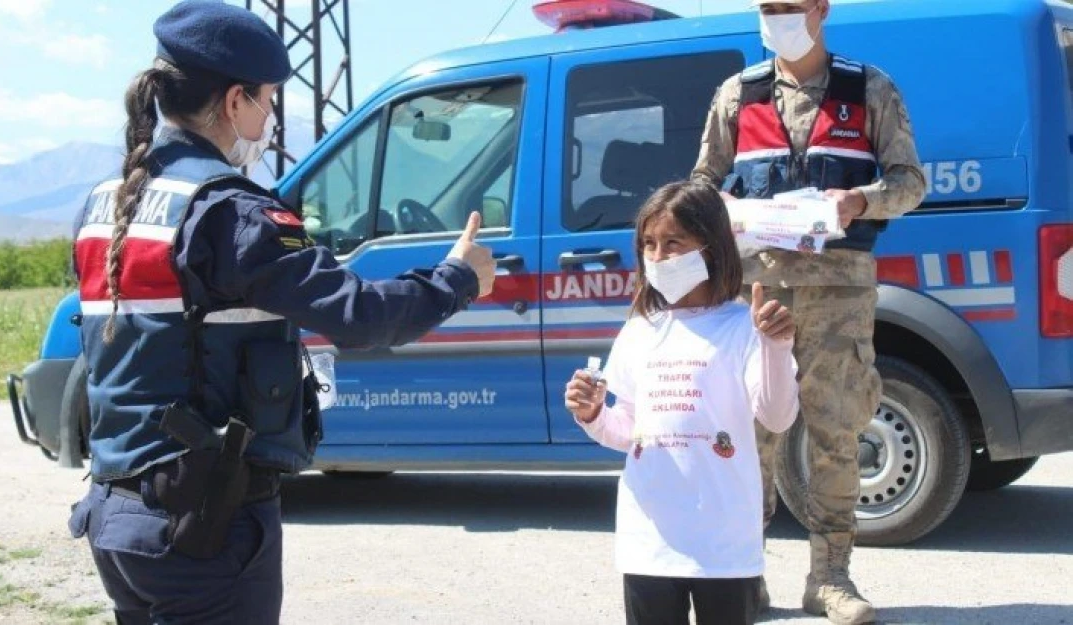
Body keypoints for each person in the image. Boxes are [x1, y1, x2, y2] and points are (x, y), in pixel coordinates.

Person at [65, 2, 496, 623]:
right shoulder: (229, 211)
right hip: (202, 521)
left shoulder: (104, 203)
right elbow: (359, 314)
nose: (270, 117)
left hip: (119, 515)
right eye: (268, 99)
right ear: (236, 100)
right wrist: (457, 279)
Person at [689, 1, 926, 623]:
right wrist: (722, 214)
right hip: (757, 295)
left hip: (839, 296)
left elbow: (911, 182)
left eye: (788, 6)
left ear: (820, 7)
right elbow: (701, 187)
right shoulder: (736, 96)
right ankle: (747, 576)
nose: (775, 17)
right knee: (749, 439)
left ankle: (830, 579)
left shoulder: (868, 88)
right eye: (767, 8)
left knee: (836, 431)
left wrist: (861, 200)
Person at [564, 181, 800, 625]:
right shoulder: (640, 330)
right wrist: (592, 413)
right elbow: (628, 430)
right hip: (649, 541)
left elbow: (777, 414)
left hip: (724, 545)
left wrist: (777, 347)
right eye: (648, 244)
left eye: (673, 243)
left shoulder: (742, 328)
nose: (658, 257)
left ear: (709, 247)